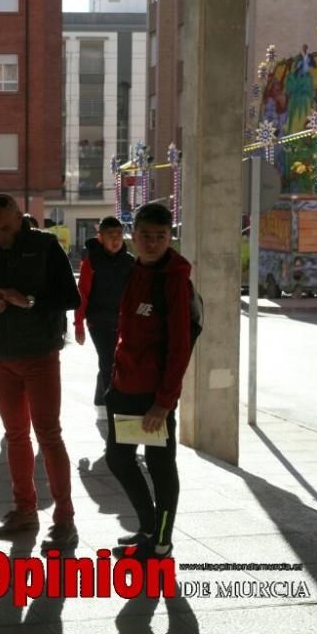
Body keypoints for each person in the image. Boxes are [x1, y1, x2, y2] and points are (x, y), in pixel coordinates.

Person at [0, 194, 81, 550]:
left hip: (39, 353)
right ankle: (24, 510)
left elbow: (71, 299)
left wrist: (27, 301)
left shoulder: (45, 246)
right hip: (0, 354)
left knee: (48, 434)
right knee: (15, 435)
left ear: (19, 217)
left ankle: (64, 517)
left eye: (4, 227)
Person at [104, 202, 192, 560]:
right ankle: (147, 527)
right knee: (118, 459)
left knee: (159, 466)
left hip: (153, 394)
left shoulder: (174, 281)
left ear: (170, 237)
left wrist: (164, 402)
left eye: (161, 236)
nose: (153, 243)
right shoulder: (134, 269)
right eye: (145, 236)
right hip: (124, 386)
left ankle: (161, 541)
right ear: (133, 235)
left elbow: (180, 347)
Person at [73, 216, 135, 421]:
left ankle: (101, 402)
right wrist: (78, 324)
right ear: (101, 237)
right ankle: (112, 409)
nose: (116, 239)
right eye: (111, 235)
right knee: (109, 361)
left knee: (113, 362)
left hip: (123, 321)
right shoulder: (92, 262)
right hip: (98, 321)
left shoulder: (130, 262)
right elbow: (82, 293)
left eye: (119, 234)